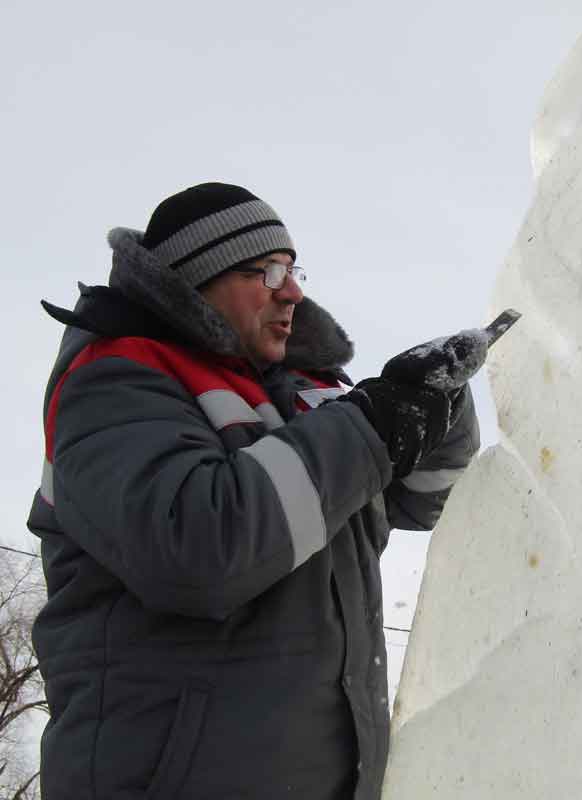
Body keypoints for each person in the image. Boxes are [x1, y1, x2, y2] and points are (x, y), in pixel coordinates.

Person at [27, 182, 480, 800]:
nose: (292, 290)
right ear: (197, 277)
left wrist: (439, 407)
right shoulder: (114, 378)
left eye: (292, 270)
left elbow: (417, 502)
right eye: (266, 271)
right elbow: (200, 548)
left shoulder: (304, 394)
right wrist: (374, 423)